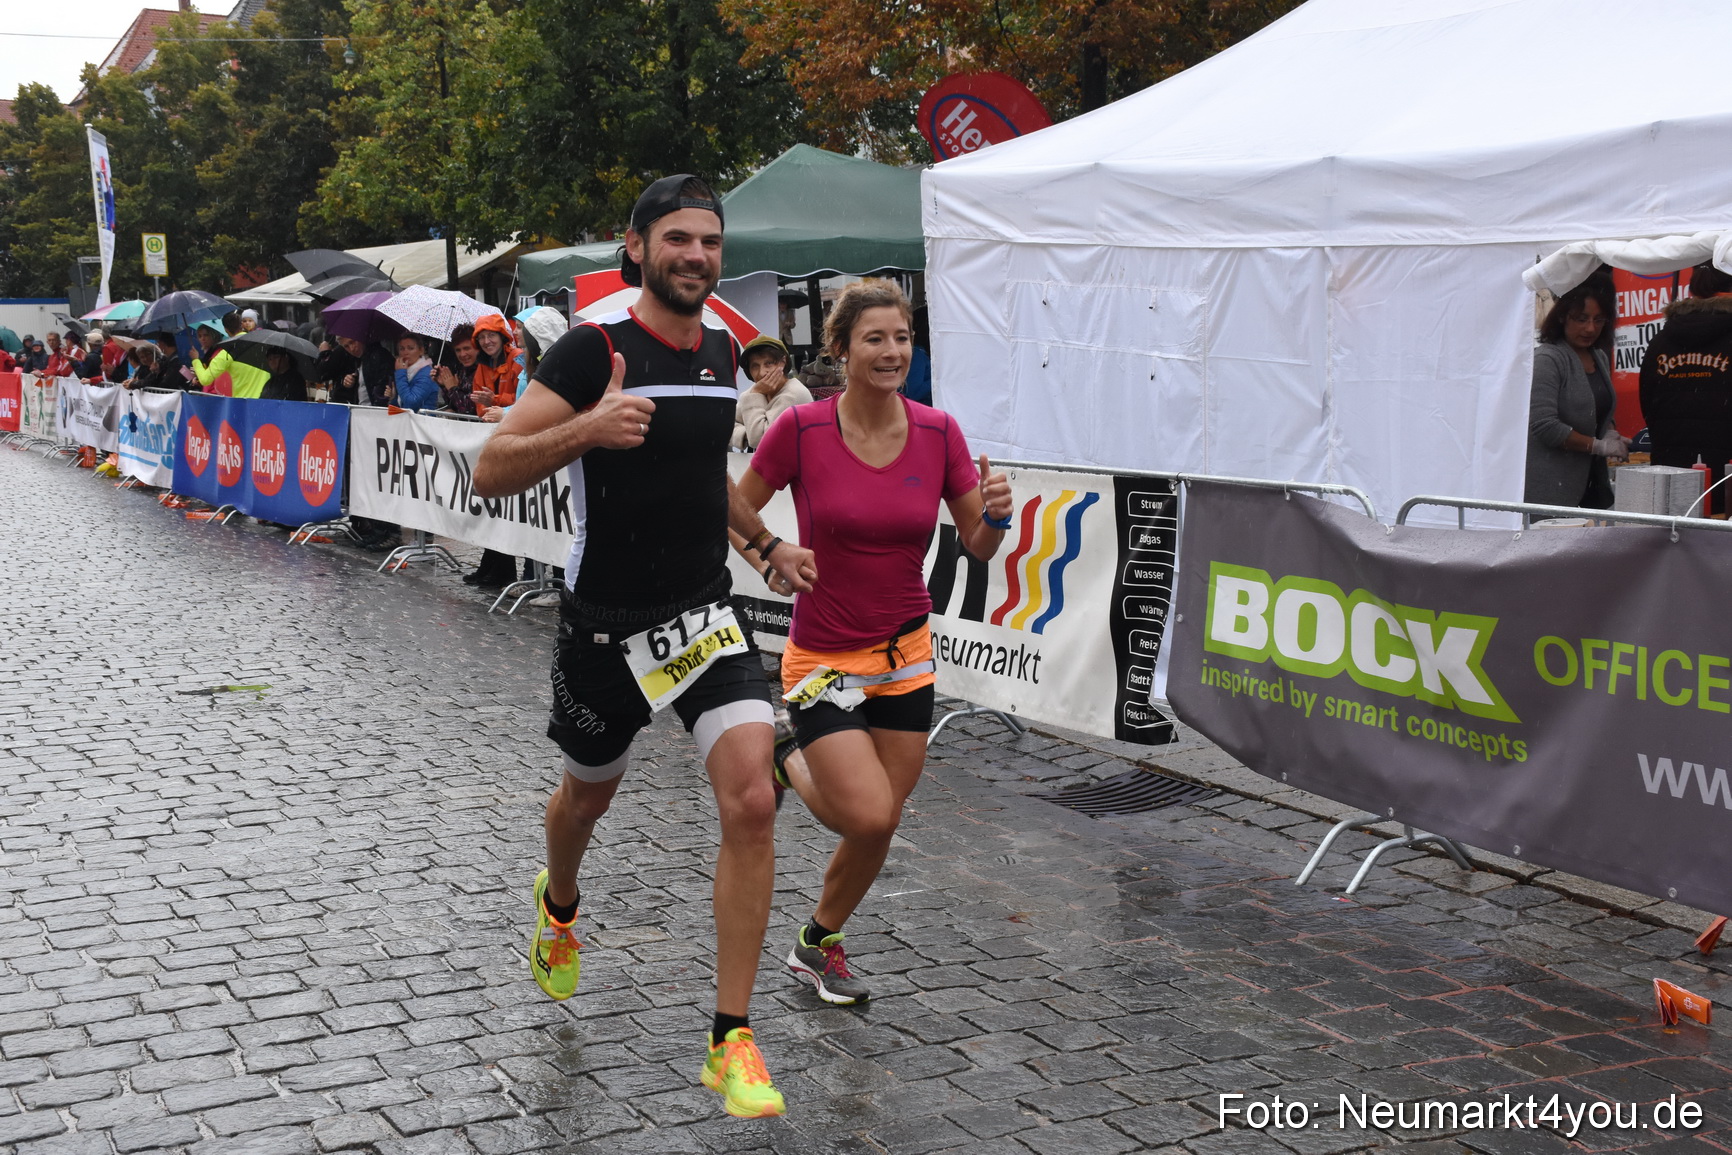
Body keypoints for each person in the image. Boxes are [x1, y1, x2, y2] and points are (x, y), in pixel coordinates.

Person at [471, 175, 815, 1121]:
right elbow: (491, 465)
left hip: (704, 614)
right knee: (586, 798)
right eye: (677, 239)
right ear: (636, 247)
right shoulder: (594, 348)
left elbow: (711, 480)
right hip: (605, 628)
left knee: (752, 797)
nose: (696, 255)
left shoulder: (723, 348)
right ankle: (561, 902)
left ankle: (730, 1038)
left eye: (710, 241)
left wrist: (766, 544)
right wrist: (588, 427)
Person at [738, 279, 1011, 1006]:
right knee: (870, 813)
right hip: (824, 657)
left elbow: (978, 546)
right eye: (875, 339)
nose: (893, 352)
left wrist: (997, 517)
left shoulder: (938, 430)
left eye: (902, 338)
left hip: (906, 653)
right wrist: (768, 553)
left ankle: (816, 943)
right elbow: (731, 503)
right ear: (840, 349)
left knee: (879, 823)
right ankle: (787, 754)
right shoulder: (801, 429)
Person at [1526, 270, 1624, 507]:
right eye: (1581, 319)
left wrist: (1610, 430)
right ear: (1562, 317)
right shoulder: (1547, 359)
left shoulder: (1599, 357)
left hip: (1591, 485)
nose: (1590, 328)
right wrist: (1597, 446)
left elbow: (1597, 409)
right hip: (1551, 488)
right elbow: (1544, 425)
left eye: (1598, 320)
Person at [1640, 261, 1732, 504]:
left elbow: (1648, 406)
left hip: (1671, 478)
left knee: (1675, 539)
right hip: (1727, 479)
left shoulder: (1661, 341)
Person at [730, 335, 810, 450]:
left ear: (783, 362)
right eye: (755, 366)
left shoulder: (794, 394)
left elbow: (760, 440)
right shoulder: (754, 393)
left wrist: (752, 431)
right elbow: (725, 427)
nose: (762, 372)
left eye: (768, 363)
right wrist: (746, 435)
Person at [192, 313, 270, 398]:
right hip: (265, 402)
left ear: (226, 330)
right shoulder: (261, 343)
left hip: (243, 404)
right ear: (242, 325)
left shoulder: (228, 352)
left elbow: (205, 379)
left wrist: (195, 360)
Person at [470, 313, 520, 412]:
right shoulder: (482, 364)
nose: (486, 341)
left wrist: (495, 400)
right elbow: (478, 401)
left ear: (501, 337)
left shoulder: (517, 359)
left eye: (491, 335)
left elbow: (524, 398)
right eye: (481, 337)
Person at [434, 323, 480, 414]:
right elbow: (453, 405)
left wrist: (452, 388)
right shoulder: (461, 370)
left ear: (477, 348)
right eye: (458, 350)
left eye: (467, 348)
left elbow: (468, 408)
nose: (462, 354)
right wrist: (444, 384)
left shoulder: (483, 371)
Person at [392, 334, 438, 411]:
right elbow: (399, 404)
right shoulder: (406, 370)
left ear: (421, 351)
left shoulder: (427, 373)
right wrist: (392, 397)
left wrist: (400, 374)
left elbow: (411, 403)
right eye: (402, 349)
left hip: (423, 421)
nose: (405, 352)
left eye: (410, 348)